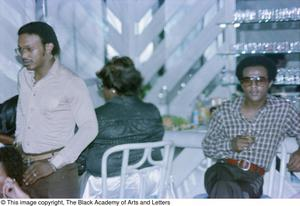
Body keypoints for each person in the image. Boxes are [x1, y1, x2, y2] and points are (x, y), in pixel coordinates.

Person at [15, 21, 98, 198]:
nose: (23, 55)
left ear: (49, 47)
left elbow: (90, 127)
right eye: (20, 49)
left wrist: (53, 164)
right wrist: (19, 141)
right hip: (26, 169)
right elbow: (22, 112)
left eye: (29, 49)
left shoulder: (71, 82)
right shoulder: (23, 76)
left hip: (57, 174)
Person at [202, 55, 300, 198]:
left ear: (270, 83)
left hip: (252, 176)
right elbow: (208, 147)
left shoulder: (283, 110)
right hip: (221, 170)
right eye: (248, 80)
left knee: (233, 192)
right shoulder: (225, 110)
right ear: (241, 84)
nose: (254, 86)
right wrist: (231, 144)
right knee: (224, 186)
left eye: (260, 80)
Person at [80, 56, 164, 198]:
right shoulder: (152, 110)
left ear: (112, 89)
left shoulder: (97, 116)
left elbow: (79, 153)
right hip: (149, 181)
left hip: (109, 186)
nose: (102, 91)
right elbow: (157, 138)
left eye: (103, 86)